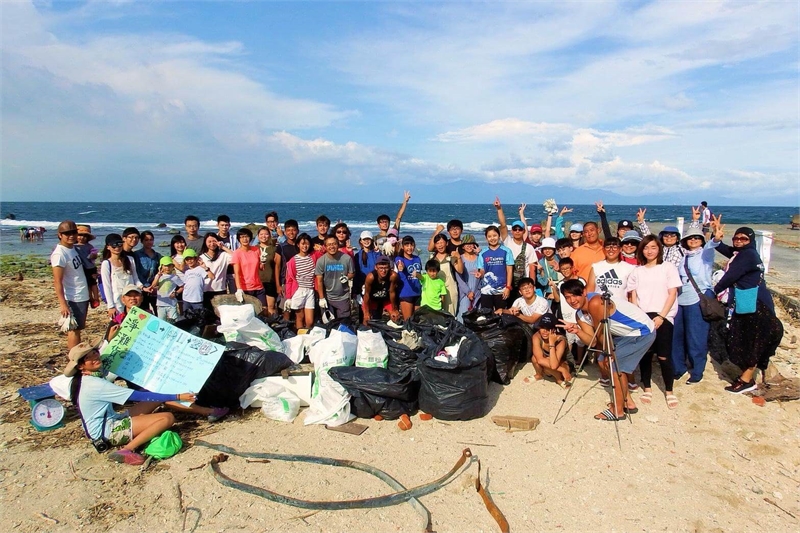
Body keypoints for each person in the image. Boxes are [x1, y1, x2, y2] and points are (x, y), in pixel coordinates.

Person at [63, 341, 225, 466]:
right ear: (81, 366)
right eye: (88, 358)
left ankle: (207, 411)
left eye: (94, 353)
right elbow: (137, 395)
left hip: (112, 420)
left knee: (154, 397)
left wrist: (111, 338)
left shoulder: (90, 377)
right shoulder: (95, 384)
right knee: (166, 418)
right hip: (108, 432)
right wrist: (178, 395)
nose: (95, 357)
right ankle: (127, 449)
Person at [559, 279, 656, 421]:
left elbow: (602, 334)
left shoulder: (595, 302)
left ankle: (618, 410)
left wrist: (607, 355)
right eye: (567, 297)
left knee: (614, 366)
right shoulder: (579, 314)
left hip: (641, 331)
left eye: (575, 295)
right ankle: (627, 402)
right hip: (625, 334)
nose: (572, 300)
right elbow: (592, 341)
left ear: (584, 292)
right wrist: (577, 331)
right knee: (607, 363)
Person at [713, 226, 784, 393]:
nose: (739, 241)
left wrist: (713, 292)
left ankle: (746, 380)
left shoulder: (748, 255)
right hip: (752, 303)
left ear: (750, 240)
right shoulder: (743, 253)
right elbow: (725, 249)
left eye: (743, 238)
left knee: (752, 341)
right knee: (747, 338)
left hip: (755, 306)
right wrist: (716, 238)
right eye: (736, 238)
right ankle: (746, 376)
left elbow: (731, 276)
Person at [627, 235, 682, 409]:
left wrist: (662, 316)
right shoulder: (637, 271)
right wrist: (638, 318)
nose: (649, 251)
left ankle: (669, 391)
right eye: (645, 247)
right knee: (646, 354)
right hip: (643, 316)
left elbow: (672, 293)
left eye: (653, 247)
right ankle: (648, 388)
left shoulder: (668, 268)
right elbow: (633, 296)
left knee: (664, 355)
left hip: (664, 316)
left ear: (659, 249)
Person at [672, 218, 721, 384]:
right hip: (681, 298)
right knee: (677, 336)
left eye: (697, 238)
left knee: (696, 337)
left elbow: (712, 245)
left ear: (702, 241)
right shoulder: (684, 256)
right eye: (690, 238)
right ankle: (678, 368)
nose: (693, 240)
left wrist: (716, 236)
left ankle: (696, 371)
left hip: (697, 299)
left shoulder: (704, 254)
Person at [51, 220, 91, 350]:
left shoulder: (72, 248)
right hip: (72, 296)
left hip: (81, 294)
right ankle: (73, 361)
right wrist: (63, 304)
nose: (71, 236)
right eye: (67, 233)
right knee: (73, 330)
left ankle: (77, 358)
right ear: (60, 235)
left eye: (73, 232)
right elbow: (57, 281)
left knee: (78, 329)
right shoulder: (59, 254)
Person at [495, 198, 538, 301]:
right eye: (515, 229)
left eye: (520, 229)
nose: (517, 231)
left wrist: (532, 285)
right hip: (506, 283)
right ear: (512, 231)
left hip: (523, 285)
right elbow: (503, 225)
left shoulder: (529, 247)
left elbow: (532, 268)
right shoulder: (507, 241)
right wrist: (499, 208)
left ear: (524, 231)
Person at [100, 233, 142, 319]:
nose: (117, 248)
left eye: (119, 244)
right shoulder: (106, 264)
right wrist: (111, 306)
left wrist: (142, 287)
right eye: (114, 245)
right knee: (118, 325)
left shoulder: (130, 259)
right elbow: (106, 286)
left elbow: (135, 278)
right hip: (116, 300)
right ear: (108, 247)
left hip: (130, 298)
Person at [315, 235, 355, 318]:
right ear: (325, 247)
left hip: (343, 297)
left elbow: (352, 273)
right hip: (327, 298)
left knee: (344, 325)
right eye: (329, 245)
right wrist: (322, 298)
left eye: (334, 244)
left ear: (338, 245)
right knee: (329, 324)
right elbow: (319, 280)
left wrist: (347, 277)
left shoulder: (347, 258)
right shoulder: (321, 261)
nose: (332, 247)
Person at [285, 233, 317, 330]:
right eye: (302, 244)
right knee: (300, 317)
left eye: (307, 244)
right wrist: (288, 297)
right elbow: (289, 280)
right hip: (298, 290)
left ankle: (307, 336)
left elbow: (325, 251)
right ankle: (300, 338)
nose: (305, 246)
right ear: (298, 245)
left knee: (310, 321)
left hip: (310, 290)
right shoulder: (293, 261)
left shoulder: (313, 256)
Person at [478, 226, 514, 311]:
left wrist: (508, 288)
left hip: (502, 290)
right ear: (486, 238)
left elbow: (509, 270)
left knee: (501, 315)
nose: (492, 238)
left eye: (494, 235)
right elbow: (482, 270)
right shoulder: (483, 253)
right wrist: (480, 274)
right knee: (486, 315)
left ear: (499, 236)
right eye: (489, 236)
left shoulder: (507, 251)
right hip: (486, 290)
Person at [531, 314, 572, 387]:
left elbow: (554, 365)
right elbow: (539, 360)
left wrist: (552, 343)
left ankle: (559, 380)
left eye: (548, 328)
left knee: (547, 363)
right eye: (542, 327)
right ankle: (539, 374)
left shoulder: (560, 340)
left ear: (554, 329)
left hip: (564, 363)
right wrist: (562, 370)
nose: (545, 331)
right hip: (555, 365)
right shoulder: (536, 336)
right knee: (534, 358)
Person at [429, 234, 463, 315]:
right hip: (436, 289)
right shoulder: (432, 258)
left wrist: (458, 257)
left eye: (442, 242)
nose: (440, 245)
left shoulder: (451, 257)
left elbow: (460, 270)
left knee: (450, 314)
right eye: (437, 243)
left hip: (450, 289)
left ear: (446, 243)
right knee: (435, 314)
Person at [231, 228, 265, 307]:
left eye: (246, 236)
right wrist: (239, 289)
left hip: (258, 287)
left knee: (263, 309)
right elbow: (236, 273)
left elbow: (261, 268)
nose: (244, 239)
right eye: (242, 237)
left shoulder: (256, 250)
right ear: (239, 239)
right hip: (245, 288)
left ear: (250, 237)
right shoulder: (237, 253)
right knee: (248, 312)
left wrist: (263, 262)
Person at [361, 256, 400, 324]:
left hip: (386, 299)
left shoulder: (393, 276)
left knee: (395, 317)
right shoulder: (370, 277)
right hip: (372, 299)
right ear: (376, 268)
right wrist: (366, 312)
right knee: (367, 320)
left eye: (386, 268)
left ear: (390, 268)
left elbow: (392, 292)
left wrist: (394, 309)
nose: (383, 271)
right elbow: (366, 294)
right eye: (381, 268)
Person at [199, 232, 231, 310]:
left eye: (214, 241)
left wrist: (223, 247)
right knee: (208, 314)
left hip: (220, 289)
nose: (212, 244)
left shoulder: (223, 255)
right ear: (205, 243)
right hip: (206, 289)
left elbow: (236, 257)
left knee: (221, 313)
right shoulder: (201, 258)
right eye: (209, 241)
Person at [133, 231, 161, 314]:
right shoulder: (137, 254)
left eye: (151, 240)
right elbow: (137, 272)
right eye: (146, 240)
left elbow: (160, 271)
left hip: (154, 289)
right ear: (142, 241)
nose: (149, 242)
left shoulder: (157, 255)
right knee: (144, 313)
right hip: (142, 288)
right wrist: (146, 286)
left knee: (158, 312)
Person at [455, 234, 483, 318]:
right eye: (467, 244)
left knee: (476, 317)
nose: (469, 246)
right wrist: (468, 292)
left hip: (478, 292)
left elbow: (483, 273)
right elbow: (459, 278)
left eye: (471, 244)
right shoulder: (460, 258)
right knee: (464, 315)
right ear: (463, 246)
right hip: (465, 292)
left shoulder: (479, 258)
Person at [395, 236, 423, 319]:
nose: (409, 247)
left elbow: (420, 275)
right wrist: (400, 266)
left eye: (411, 245)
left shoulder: (417, 258)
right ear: (403, 247)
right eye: (407, 245)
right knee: (408, 321)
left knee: (417, 320)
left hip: (418, 293)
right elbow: (400, 264)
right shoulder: (400, 259)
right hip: (406, 293)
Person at [149, 257, 184, 322]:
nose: (167, 268)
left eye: (169, 266)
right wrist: (158, 275)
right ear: (161, 266)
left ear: (172, 266)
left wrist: (176, 293)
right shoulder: (158, 276)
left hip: (171, 304)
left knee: (173, 321)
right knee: (161, 321)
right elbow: (153, 285)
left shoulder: (174, 277)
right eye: (165, 266)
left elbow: (182, 286)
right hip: (160, 303)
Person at [181, 249, 214, 315]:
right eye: (187, 259)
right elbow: (185, 285)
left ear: (196, 259)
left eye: (191, 259)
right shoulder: (187, 272)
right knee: (187, 316)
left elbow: (212, 277)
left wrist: (205, 268)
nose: (189, 261)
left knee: (199, 317)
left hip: (197, 299)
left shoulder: (201, 269)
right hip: (186, 298)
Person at [75, 224, 101, 309]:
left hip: (90, 267)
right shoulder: (73, 247)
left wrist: (93, 255)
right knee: (86, 285)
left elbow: (94, 253)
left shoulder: (89, 246)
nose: (82, 238)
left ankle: (96, 298)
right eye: (80, 235)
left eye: (84, 236)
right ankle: (91, 298)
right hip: (81, 268)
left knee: (93, 283)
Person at [256, 227, 278, 316]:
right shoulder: (253, 249)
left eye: (266, 234)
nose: (263, 236)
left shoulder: (274, 249)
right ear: (257, 236)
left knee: (271, 306)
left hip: (270, 281)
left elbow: (277, 266)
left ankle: (272, 325)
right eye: (261, 234)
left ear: (269, 236)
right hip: (257, 282)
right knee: (260, 308)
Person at [216, 215, 239, 293]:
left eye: (226, 225)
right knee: (221, 293)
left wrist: (224, 248)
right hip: (220, 270)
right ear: (217, 225)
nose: (224, 227)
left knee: (235, 293)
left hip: (232, 270)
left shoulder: (234, 237)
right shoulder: (214, 238)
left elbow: (237, 254)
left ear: (229, 225)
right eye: (222, 225)